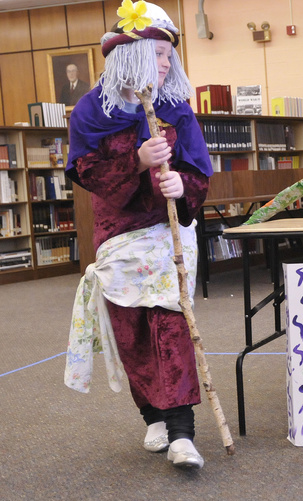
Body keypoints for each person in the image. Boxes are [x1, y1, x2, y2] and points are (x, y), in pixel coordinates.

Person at [64, 0, 213, 469]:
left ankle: (183, 430)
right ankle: (153, 414)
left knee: (170, 323)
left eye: (171, 57)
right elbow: (85, 172)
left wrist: (180, 184)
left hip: (165, 232)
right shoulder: (91, 111)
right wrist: (138, 163)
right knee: (130, 331)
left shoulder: (176, 108)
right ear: (129, 56)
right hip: (118, 235)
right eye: (159, 55)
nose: (168, 65)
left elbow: (197, 172)